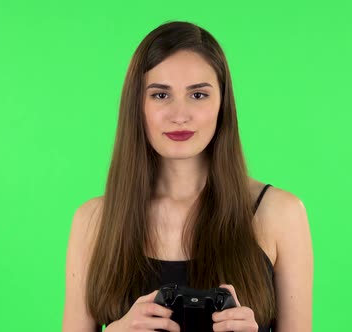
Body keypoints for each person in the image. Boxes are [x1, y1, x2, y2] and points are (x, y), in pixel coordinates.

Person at [62, 20, 313, 332]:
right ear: (136, 106)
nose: (179, 115)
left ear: (223, 104)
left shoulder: (280, 214)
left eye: (198, 95)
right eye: (160, 95)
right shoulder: (93, 220)